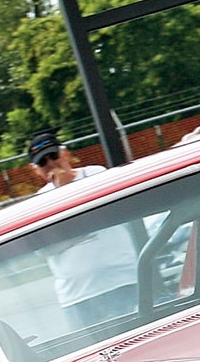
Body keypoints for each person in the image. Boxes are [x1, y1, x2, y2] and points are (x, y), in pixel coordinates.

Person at [26, 129, 137, 333]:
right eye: (43, 162)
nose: (51, 164)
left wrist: (67, 192)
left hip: (123, 278)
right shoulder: (39, 201)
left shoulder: (95, 174)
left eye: (54, 156)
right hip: (78, 295)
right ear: (36, 170)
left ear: (65, 153)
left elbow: (109, 213)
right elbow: (44, 248)